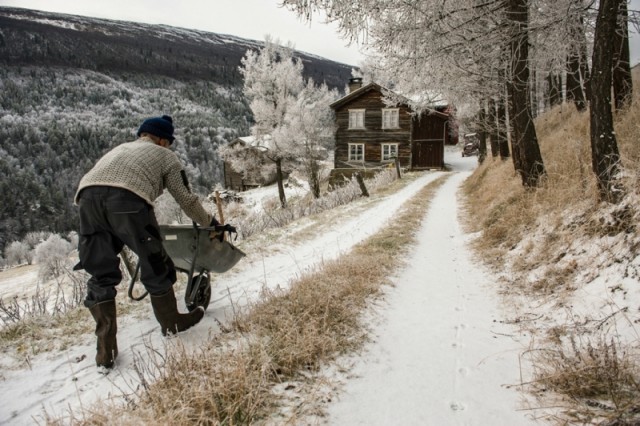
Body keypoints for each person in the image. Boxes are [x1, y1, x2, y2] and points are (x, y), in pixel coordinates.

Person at [74, 115, 218, 369]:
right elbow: (186, 199)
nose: (169, 147)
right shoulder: (165, 157)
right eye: (169, 142)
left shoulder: (121, 149)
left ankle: (105, 351)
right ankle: (172, 322)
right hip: (127, 200)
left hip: (86, 197)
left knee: (100, 271)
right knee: (154, 260)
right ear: (162, 140)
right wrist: (209, 222)